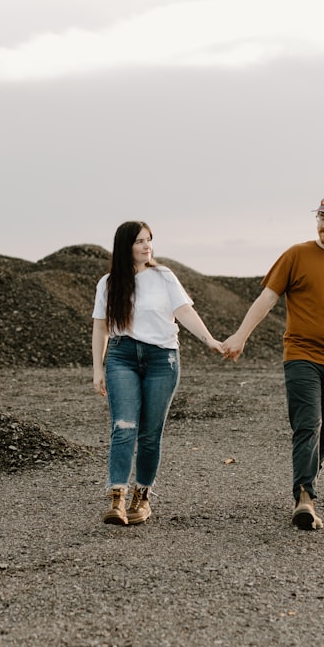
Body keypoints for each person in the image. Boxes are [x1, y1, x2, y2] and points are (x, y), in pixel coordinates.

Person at [222, 194, 324, 530]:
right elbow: (267, 298)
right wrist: (241, 335)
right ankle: (304, 497)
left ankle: (306, 484)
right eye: (321, 217)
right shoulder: (296, 255)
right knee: (307, 424)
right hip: (301, 356)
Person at [92, 221, 223, 525]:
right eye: (139, 241)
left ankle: (142, 494)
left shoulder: (164, 277)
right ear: (125, 246)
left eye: (149, 240)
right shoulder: (108, 283)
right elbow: (101, 326)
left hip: (161, 359)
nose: (147, 246)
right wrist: (97, 368)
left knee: (150, 433)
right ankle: (117, 496)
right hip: (122, 356)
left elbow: (184, 311)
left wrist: (210, 340)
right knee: (123, 426)